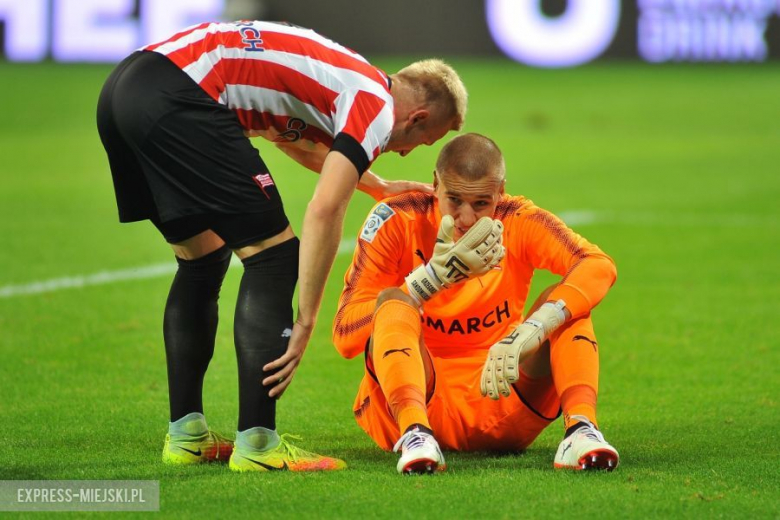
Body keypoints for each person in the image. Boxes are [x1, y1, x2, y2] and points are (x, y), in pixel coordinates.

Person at [96, 20, 467, 472]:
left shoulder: (346, 79)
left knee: (202, 258)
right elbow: (326, 209)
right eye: (421, 143)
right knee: (273, 257)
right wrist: (308, 318)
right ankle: (258, 444)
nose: (408, 152)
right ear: (418, 118)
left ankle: (187, 435)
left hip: (126, 90)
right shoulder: (376, 106)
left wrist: (377, 185)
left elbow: (293, 139)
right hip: (179, 97)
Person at [333, 133, 619, 474]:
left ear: (501, 191)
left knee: (566, 304)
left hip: (501, 393)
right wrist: (427, 283)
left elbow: (598, 264)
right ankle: (415, 435)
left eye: (481, 203)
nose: (466, 218)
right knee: (394, 302)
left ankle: (581, 430)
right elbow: (345, 336)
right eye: (454, 200)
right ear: (435, 184)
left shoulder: (519, 219)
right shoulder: (398, 218)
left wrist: (532, 329)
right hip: (412, 398)